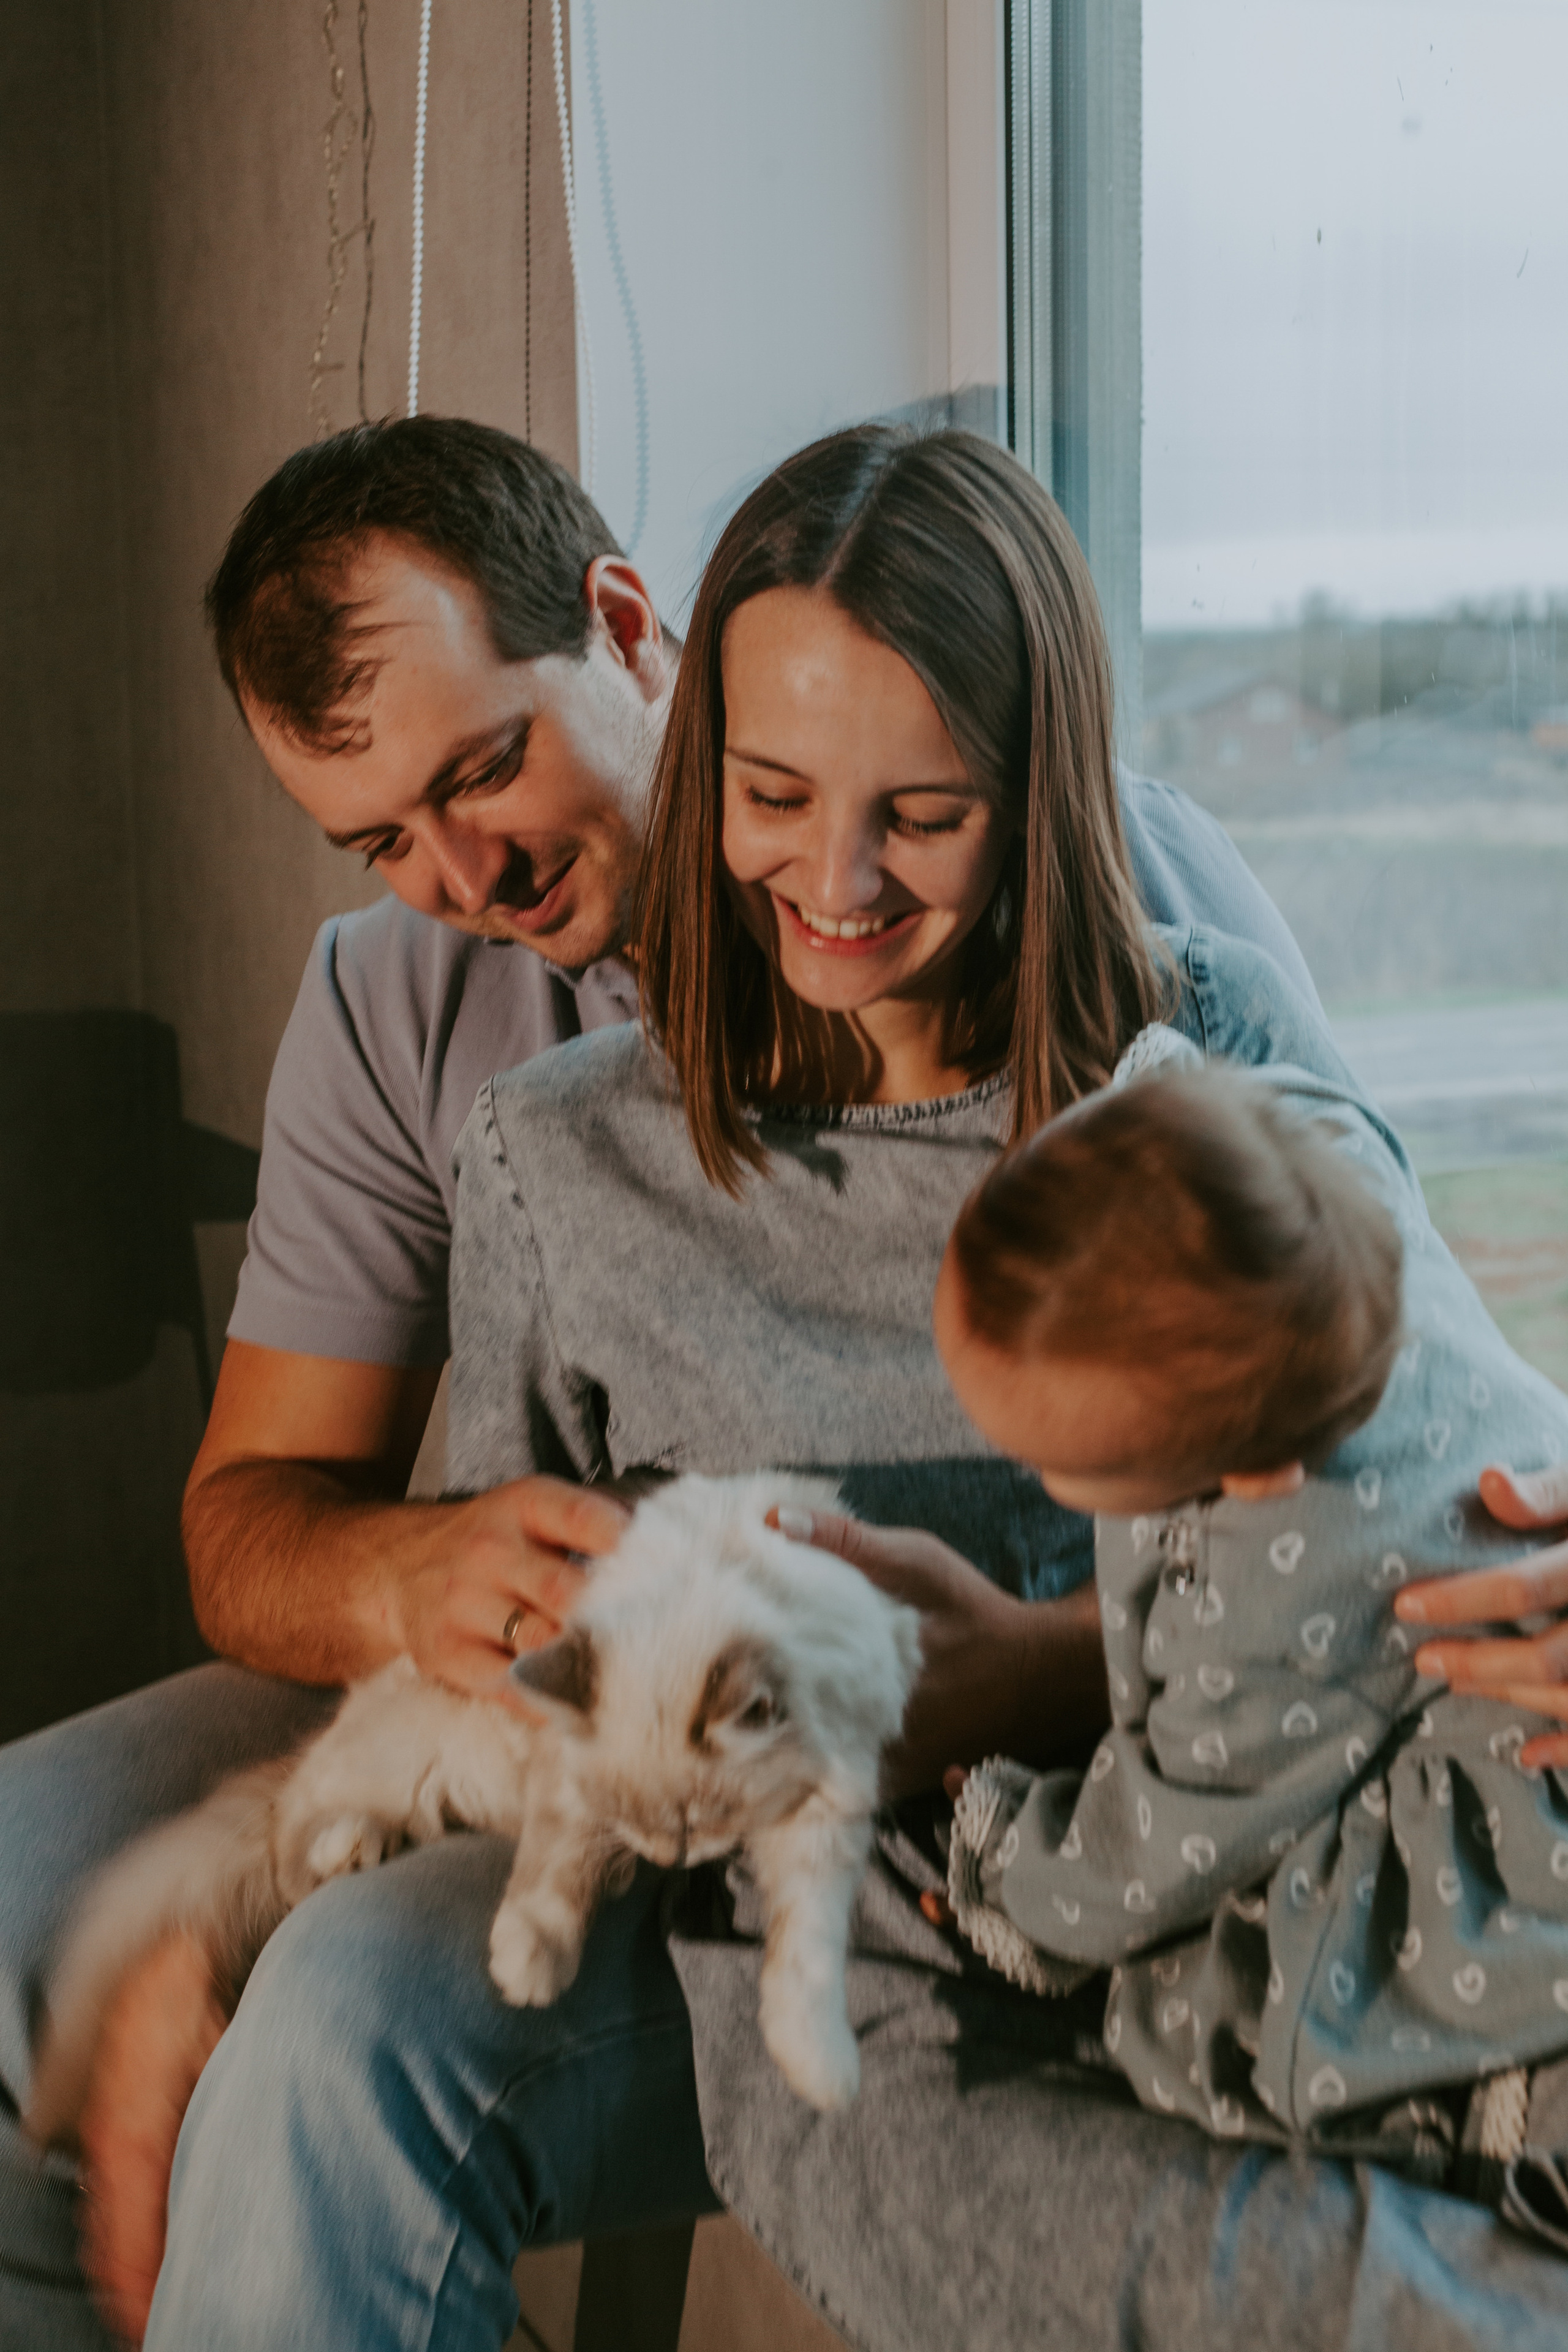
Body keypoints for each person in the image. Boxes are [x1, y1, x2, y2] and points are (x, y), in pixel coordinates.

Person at [0, 413, 1553, 2351]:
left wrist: (1068, 1664)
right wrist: (269, 1838)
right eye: (383, 837)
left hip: (1181, 1806)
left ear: (625, 634)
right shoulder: (528, 1130)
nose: (458, 875)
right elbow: (324, 1574)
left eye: (486, 771)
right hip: (787, 1863)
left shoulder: (1189, 1014)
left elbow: (1399, 1428)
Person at [933, 1046, 1568, 2223]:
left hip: (1518, 1821)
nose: (1029, 1471)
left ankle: (1481, 2097)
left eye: (1060, 1466)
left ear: (1250, 1475)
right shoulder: (1340, 1202)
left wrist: (1012, 1865)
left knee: (1233, 2023)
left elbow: (1174, 1826)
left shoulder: (1256, 1603)